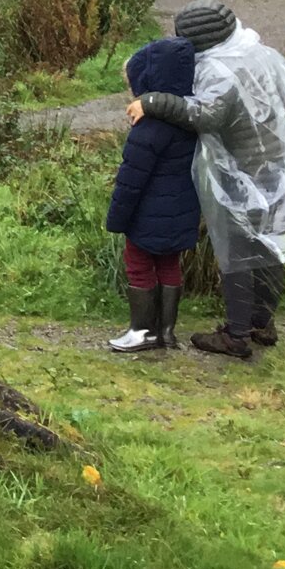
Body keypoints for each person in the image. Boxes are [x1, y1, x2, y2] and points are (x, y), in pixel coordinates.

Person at [129, 0, 285, 360]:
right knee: (269, 246)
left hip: (245, 174)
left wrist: (154, 101)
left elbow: (206, 115)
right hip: (280, 166)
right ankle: (262, 323)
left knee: (239, 253)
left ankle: (236, 335)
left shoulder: (221, 71)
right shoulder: (260, 52)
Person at [103, 38, 200, 353]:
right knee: (169, 263)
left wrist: (118, 219)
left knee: (139, 263)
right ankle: (166, 332)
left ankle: (142, 330)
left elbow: (131, 181)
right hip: (181, 211)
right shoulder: (191, 121)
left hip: (147, 215)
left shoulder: (148, 129)